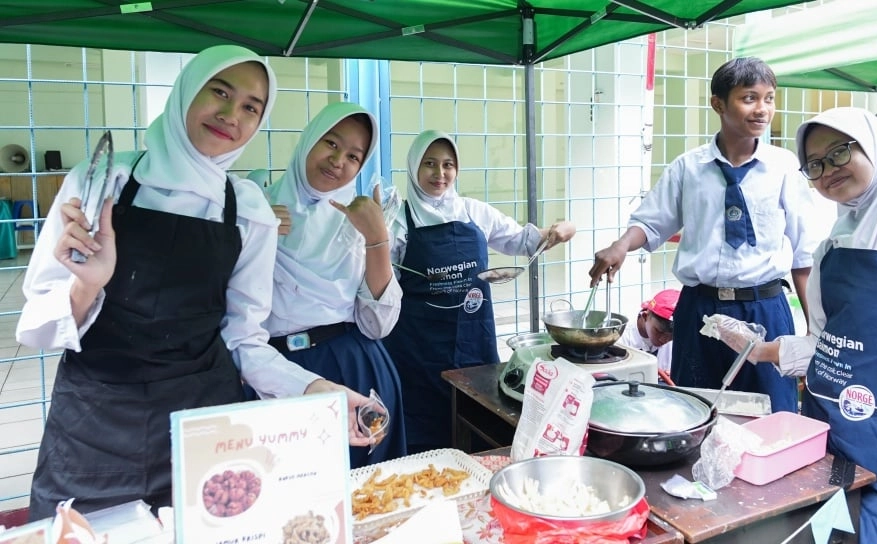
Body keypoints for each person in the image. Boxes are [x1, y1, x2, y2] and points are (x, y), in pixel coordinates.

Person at [15, 45, 374, 520]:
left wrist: (316, 390)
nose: (231, 115)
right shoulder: (104, 182)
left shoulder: (247, 209)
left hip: (203, 430)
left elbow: (244, 340)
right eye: (220, 92)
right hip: (94, 426)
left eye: (251, 107)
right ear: (187, 91)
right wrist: (88, 286)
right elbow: (39, 328)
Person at [714, 107, 877, 544]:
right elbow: (828, 344)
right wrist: (757, 349)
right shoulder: (831, 245)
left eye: (839, 152)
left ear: (875, 148)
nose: (828, 170)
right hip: (834, 444)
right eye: (814, 163)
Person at [588, 57, 821, 414]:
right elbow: (651, 223)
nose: (762, 109)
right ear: (718, 104)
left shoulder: (784, 167)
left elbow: (804, 256)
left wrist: (814, 330)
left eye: (769, 99)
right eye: (749, 98)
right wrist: (621, 245)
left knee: (771, 411)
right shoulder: (688, 168)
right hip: (700, 309)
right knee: (696, 410)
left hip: (764, 309)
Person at [383, 129, 576, 454]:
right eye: (429, 163)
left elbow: (524, 241)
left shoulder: (475, 212)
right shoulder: (398, 223)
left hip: (473, 342)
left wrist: (560, 229)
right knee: (424, 441)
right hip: (416, 350)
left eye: (448, 164)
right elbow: (383, 288)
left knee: (478, 430)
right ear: (414, 167)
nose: (439, 173)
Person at [260, 102, 407, 468]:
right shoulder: (256, 206)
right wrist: (252, 230)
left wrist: (377, 238)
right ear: (309, 140)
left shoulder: (357, 219)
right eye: (331, 143)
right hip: (274, 372)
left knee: (368, 490)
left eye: (354, 156)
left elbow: (378, 325)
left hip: (352, 368)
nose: (338, 161)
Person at [619, 288, 679, 379]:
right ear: (645, 316)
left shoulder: (681, 338)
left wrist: (676, 375)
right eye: (659, 331)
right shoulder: (621, 338)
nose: (664, 340)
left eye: (671, 336)